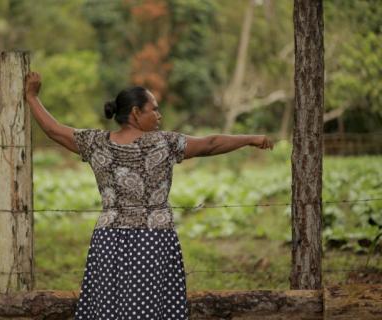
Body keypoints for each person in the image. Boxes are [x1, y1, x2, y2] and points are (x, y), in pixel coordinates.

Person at [24, 71, 274, 319]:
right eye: (154, 109)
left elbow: (54, 131)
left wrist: (33, 97)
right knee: (152, 311)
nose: (159, 115)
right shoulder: (164, 143)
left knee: (109, 310)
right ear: (135, 112)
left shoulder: (96, 143)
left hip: (109, 241)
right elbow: (210, 144)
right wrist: (250, 138)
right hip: (154, 241)